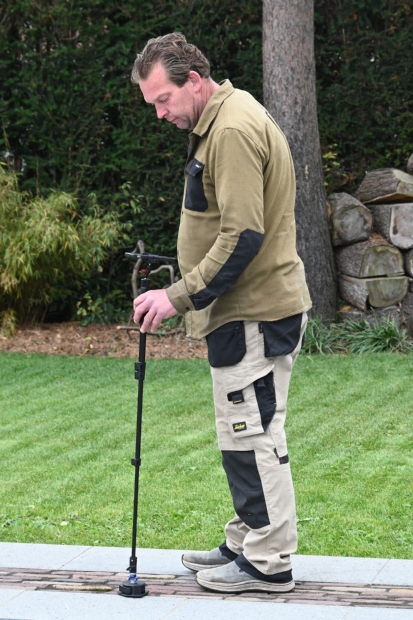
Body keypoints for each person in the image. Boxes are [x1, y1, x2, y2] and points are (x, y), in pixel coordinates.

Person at [130, 32, 312, 594]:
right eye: (152, 104)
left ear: (194, 81)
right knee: (241, 431)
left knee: (254, 433)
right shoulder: (222, 118)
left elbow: (242, 236)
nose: (160, 114)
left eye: (163, 100)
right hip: (241, 312)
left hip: (254, 311)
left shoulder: (230, 129)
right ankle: (247, 538)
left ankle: (268, 562)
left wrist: (176, 295)